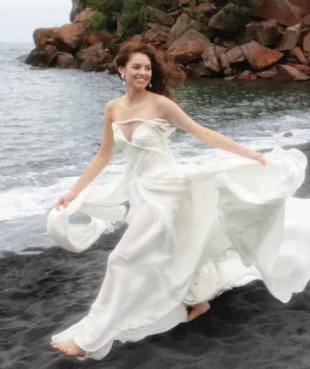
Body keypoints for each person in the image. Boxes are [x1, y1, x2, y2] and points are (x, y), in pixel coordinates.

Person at [48, 43, 310, 360]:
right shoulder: (113, 108)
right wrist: (74, 191)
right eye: (136, 67)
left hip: (167, 192)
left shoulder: (160, 104)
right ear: (122, 69)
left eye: (147, 68)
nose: (143, 73)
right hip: (141, 193)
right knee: (173, 252)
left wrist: (252, 155)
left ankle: (89, 339)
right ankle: (198, 300)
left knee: (121, 260)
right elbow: (103, 155)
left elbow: (203, 134)